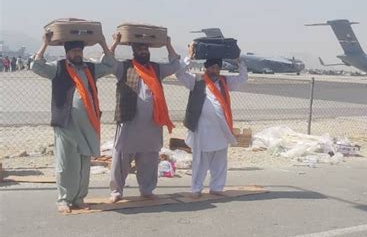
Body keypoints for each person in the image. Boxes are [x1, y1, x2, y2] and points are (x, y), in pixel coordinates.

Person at [31, 32, 116, 213]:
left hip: (88, 124)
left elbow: (110, 64)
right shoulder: (58, 68)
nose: (77, 54)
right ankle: (64, 199)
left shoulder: (90, 68)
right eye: (74, 51)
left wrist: (102, 42)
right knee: (65, 164)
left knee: (84, 164)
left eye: (79, 50)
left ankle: (79, 198)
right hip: (66, 124)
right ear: (67, 52)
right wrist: (44, 43)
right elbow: (37, 67)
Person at [109, 33, 180, 203]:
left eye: (145, 49)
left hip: (152, 124)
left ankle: (147, 190)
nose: (143, 52)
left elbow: (175, 64)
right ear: (134, 52)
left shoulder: (156, 69)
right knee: (121, 157)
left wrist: (168, 44)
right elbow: (108, 62)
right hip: (129, 122)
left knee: (149, 158)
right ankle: (116, 191)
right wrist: (115, 43)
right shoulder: (124, 68)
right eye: (140, 49)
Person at [175, 43, 247, 198]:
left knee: (220, 161)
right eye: (211, 68)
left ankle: (217, 187)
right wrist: (190, 56)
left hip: (221, 129)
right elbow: (179, 74)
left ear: (220, 69)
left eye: (217, 68)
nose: (214, 70)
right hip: (202, 129)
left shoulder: (225, 82)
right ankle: (196, 189)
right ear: (206, 68)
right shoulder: (196, 80)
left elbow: (243, 77)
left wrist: (238, 60)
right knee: (200, 162)